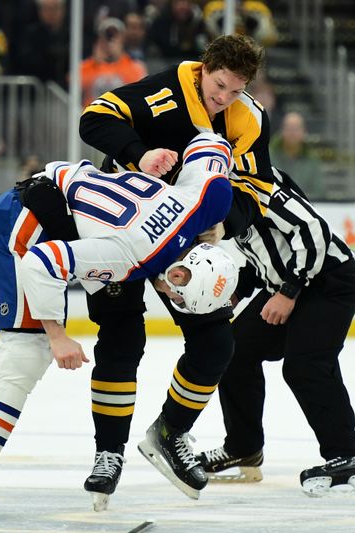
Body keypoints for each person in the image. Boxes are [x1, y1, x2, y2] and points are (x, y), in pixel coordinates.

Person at [0, 132, 240, 519]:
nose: (170, 297)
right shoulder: (129, 257)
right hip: (23, 223)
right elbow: (41, 264)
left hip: (47, 202)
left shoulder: (204, 202)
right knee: (28, 351)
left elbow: (211, 143)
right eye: (179, 294)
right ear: (181, 272)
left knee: (25, 351)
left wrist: (152, 157)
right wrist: (58, 336)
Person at [79, 33, 273, 507]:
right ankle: (108, 454)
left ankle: (171, 431)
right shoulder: (162, 92)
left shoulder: (248, 119)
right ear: (206, 67)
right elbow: (94, 118)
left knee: (216, 343)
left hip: (181, 239)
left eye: (235, 89)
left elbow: (258, 186)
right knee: (122, 339)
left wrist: (227, 223)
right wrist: (138, 155)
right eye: (220, 85)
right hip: (121, 223)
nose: (225, 98)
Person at [195, 167, 355, 497]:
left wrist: (289, 292)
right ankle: (243, 447)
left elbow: (313, 230)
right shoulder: (221, 189)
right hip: (288, 283)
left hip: (328, 281)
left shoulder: (258, 179)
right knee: (233, 352)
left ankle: (347, 456)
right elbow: (262, 254)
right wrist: (236, 291)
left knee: (306, 365)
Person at [80, 17, 147, 108]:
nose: (110, 41)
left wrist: (119, 59)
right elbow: (74, 85)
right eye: (107, 36)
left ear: (122, 39)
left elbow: (139, 89)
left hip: (121, 117)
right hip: (93, 116)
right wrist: (95, 62)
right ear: (100, 39)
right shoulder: (87, 66)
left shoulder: (135, 66)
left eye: (115, 36)